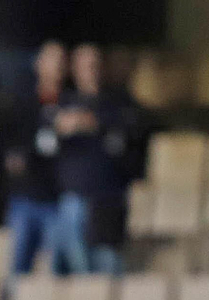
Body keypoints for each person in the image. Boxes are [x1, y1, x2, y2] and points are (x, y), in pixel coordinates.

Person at [53, 44, 141, 276]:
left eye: (95, 65)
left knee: (107, 270)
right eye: (85, 66)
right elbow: (46, 143)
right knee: (77, 271)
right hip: (74, 198)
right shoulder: (63, 103)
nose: (91, 71)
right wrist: (62, 127)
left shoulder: (118, 104)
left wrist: (93, 123)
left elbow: (129, 139)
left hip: (107, 199)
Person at [3, 41, 67, 275]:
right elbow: (11, 147)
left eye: (62, 61)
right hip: (26, 198)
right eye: (52, 60)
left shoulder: (71, 104)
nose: (58, 67)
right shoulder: (23, 105)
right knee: (18, 269)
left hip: (57, 199)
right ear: (38, 64)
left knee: (58, 269)